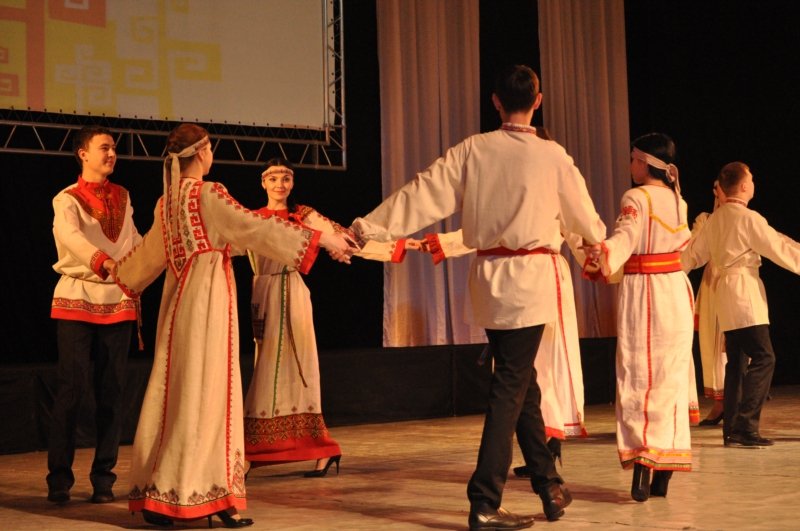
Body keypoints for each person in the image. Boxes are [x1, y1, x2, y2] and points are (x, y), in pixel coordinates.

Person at [350, 64, 606, 530]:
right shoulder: (552, 156)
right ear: (538, 101)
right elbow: (586, 222)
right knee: (511, 385)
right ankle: (485, 500)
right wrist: (600, 242)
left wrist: (371, 225)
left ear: (495, 101)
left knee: (521, 381)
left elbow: (422, 192)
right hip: (530, 279)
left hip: (489, 279)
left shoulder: (474, 149)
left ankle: (549, 485)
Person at [114, 124, 354, 528]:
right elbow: (255, 227)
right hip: (207, 305)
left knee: (176, 393)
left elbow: (147, 259)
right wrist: (322, 241)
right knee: (211, 396)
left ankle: (164, 493)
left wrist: (115, 274)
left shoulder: (166, 202)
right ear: (201, 153)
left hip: (176, 309)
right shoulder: (210, 193)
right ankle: (209, 494)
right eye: (210, 148)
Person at [244, 158, 416, 477]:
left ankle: (264, 450)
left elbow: (342, 237)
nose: (280, 184)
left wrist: (399, 246)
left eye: (285, 178)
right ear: (263, 183)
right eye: (273, 178)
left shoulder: (302, 215)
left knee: (293, 369)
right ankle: (306, 448)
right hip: (262, 295)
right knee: (265, 365)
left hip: (290, 291)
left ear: (292, 183)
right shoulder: (251, 218)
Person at [585, 133, 694, 502]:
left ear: (645, 163)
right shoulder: (679, 200)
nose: (630, 165)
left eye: (633, 158)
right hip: (675, 289)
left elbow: (626, 237)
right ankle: (665, 470)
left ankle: (644, 466)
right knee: (671, 376)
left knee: (640, 374)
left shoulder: (636, 197)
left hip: (646, 291)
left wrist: (602, 253)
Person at [46, 125, 141, 505]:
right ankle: (59, 479)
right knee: (71, 389)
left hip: (117, 299)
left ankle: (104, 478)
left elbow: (133, 240)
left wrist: (153, 259)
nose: (111, 153)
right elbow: (70, 238)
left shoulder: (123, 196)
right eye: (104, 147)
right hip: (77, 295)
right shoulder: (67, 198)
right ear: (82, 153)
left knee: (112, 392)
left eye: (113, 147)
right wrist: (104, 261)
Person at [681, 161, 800, 447]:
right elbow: (777, 247)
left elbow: (692, 255)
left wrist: (669, 273)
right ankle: (745, 426)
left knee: (736, 362)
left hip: (724, 294)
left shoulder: (716, 219)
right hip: (743, 292)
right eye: (752, 179)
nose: (754, 183)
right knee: (764, 357)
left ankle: (732, 429)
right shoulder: (748, 218)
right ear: (745, 186)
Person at [692, 180, 727, 426]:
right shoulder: (705, 219)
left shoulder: (743, 217)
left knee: (732, 341)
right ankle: (720, 402)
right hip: (712, 283)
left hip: (734, 280)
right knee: (712, 344)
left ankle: (736, 397)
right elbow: (693, 249)